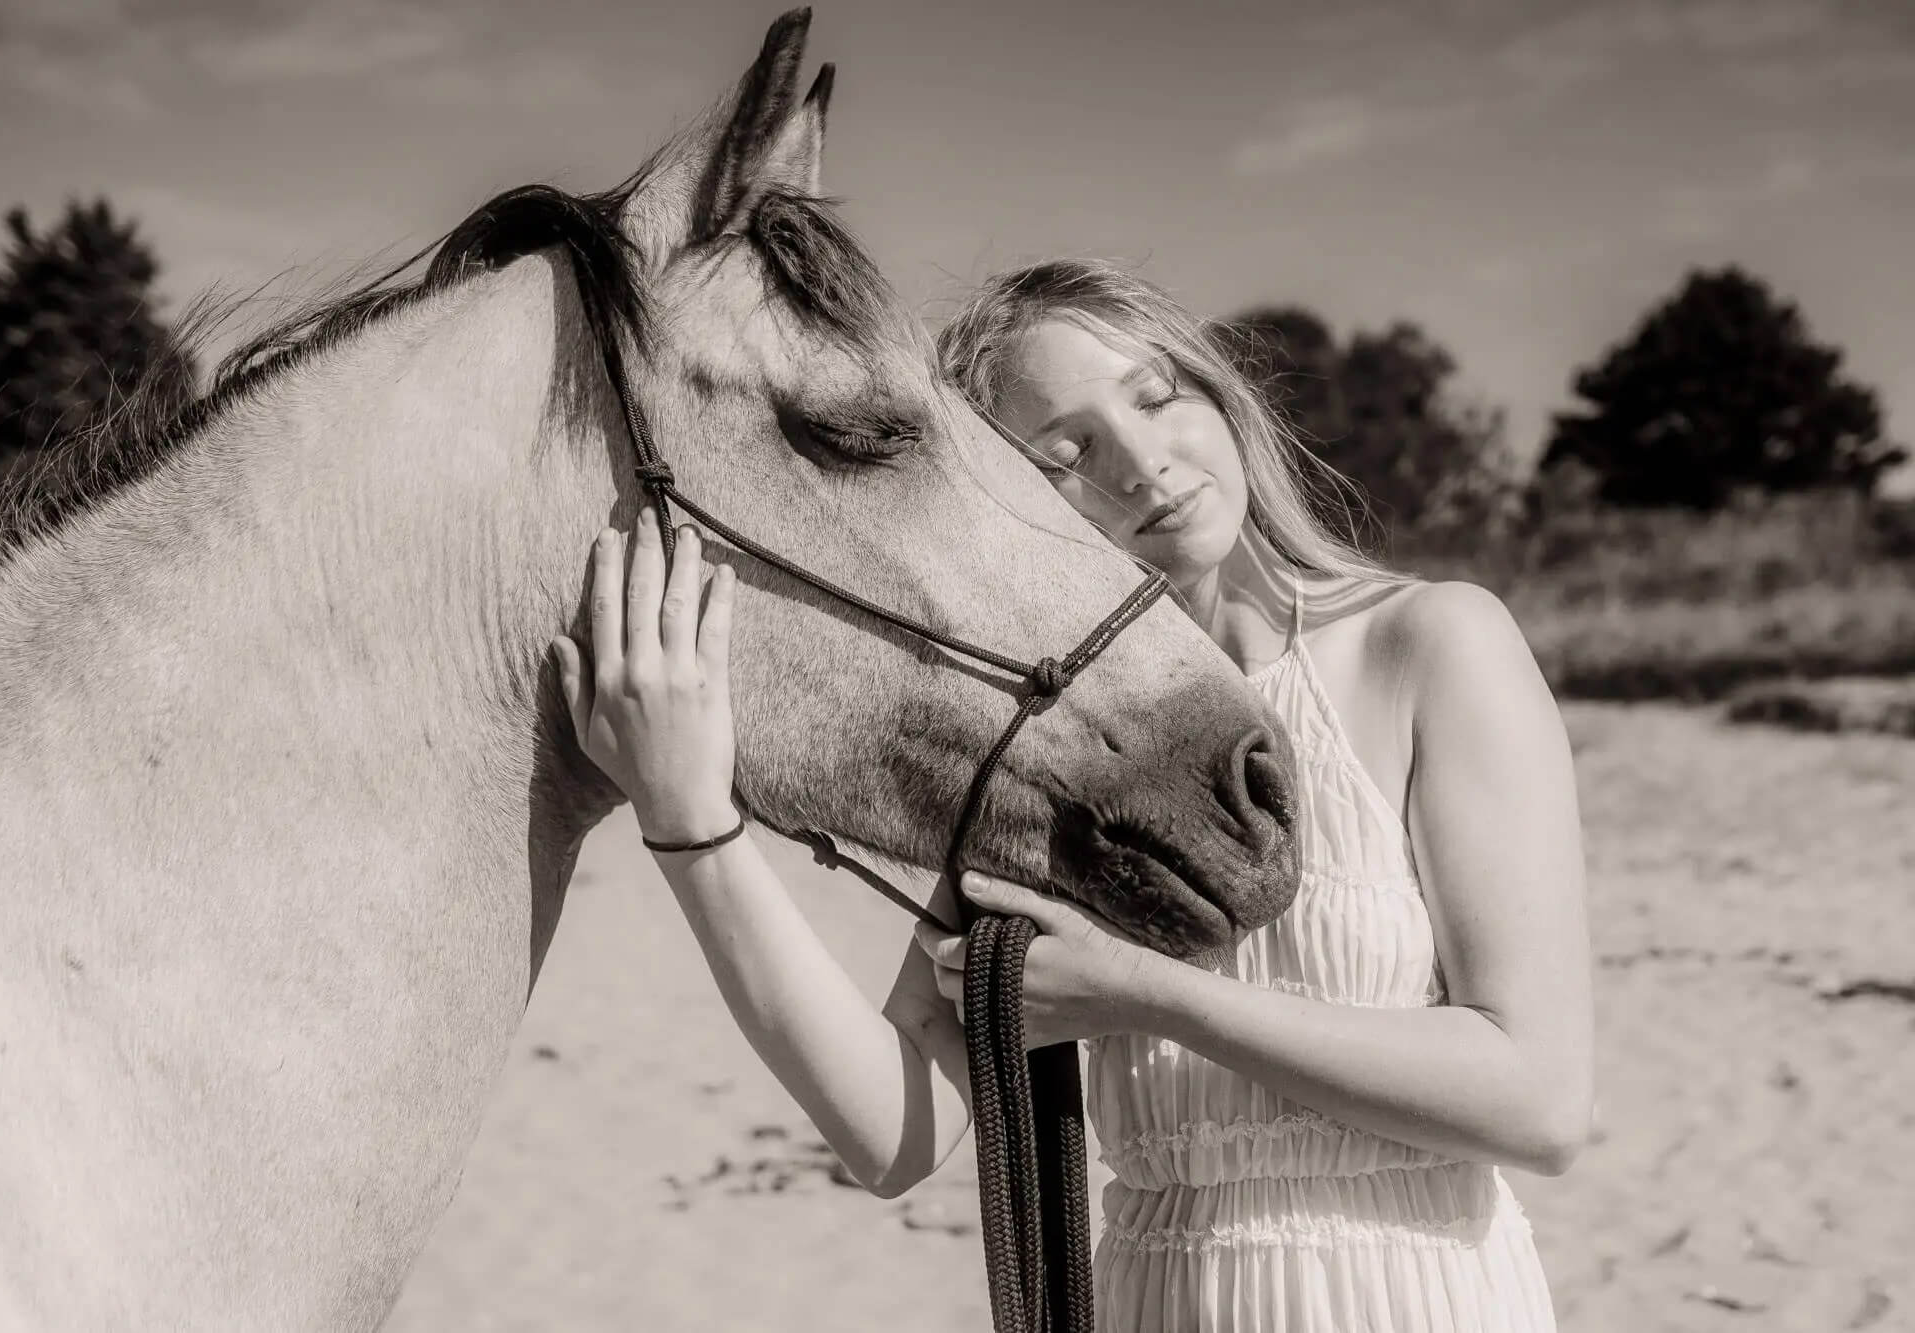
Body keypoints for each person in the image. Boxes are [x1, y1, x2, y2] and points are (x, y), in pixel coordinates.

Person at [550, 259, 1592, 1332]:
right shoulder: (1051, 755)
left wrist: (1146, 993)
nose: (1139, 464)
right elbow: (891, 1137)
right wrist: (692, 828)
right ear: (999, 505)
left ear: (1216, 393)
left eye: (1155, 397)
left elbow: (1539, 1099)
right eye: (1065, 454)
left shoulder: (1429, 646)